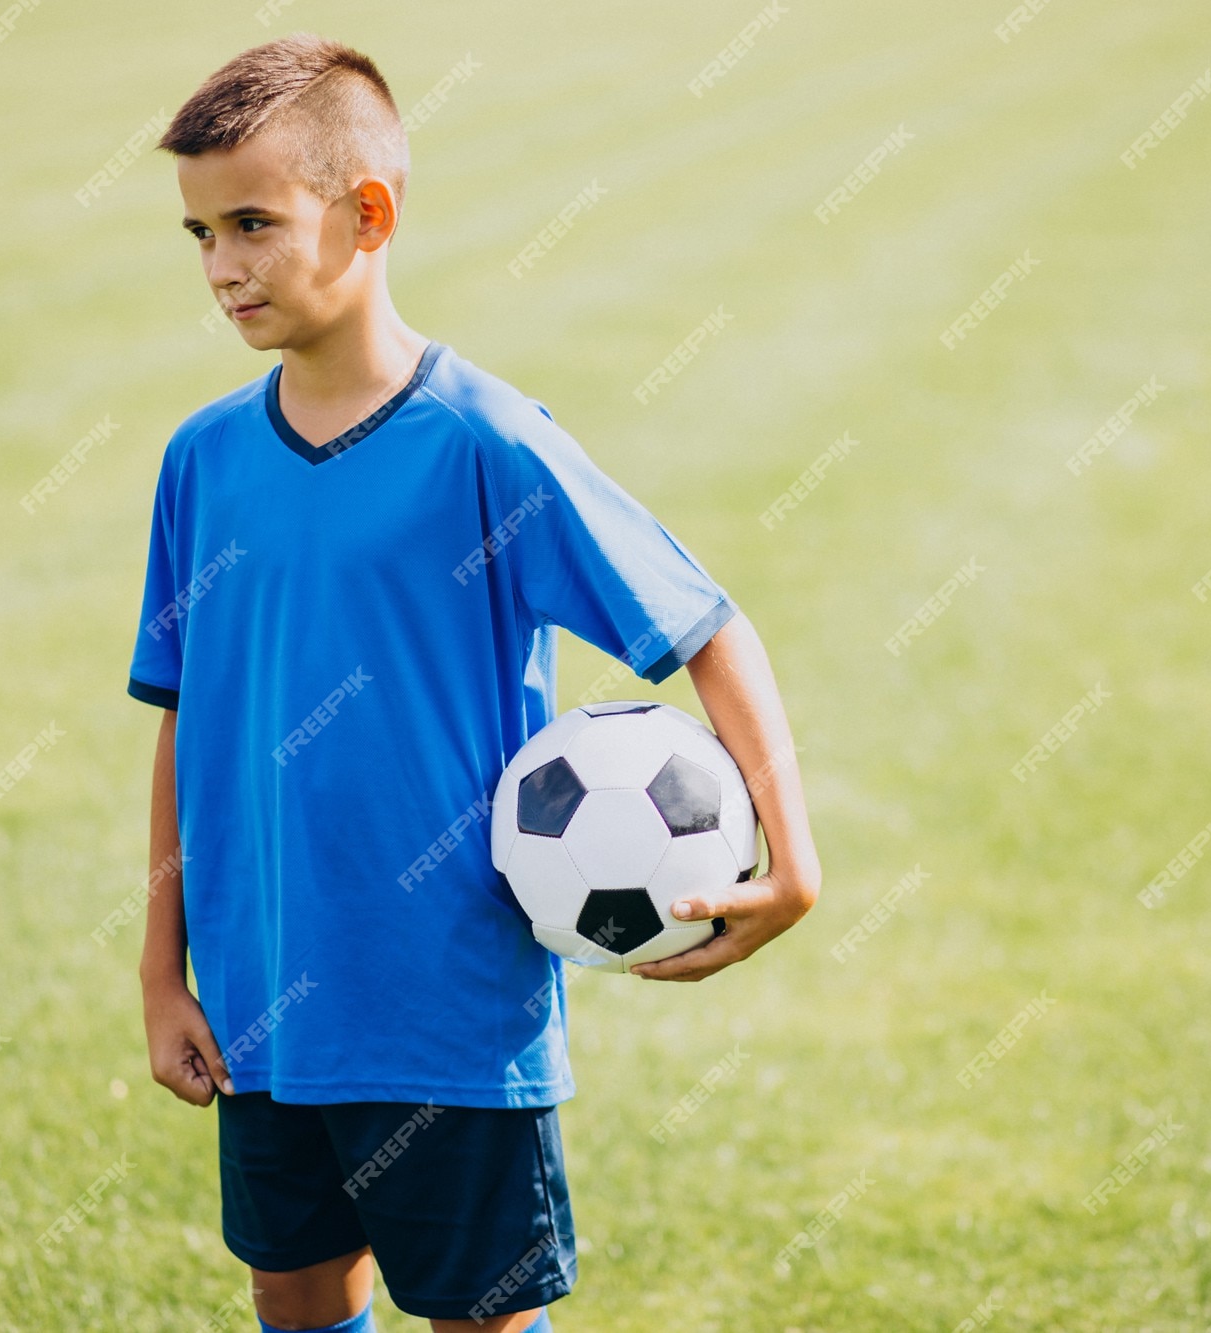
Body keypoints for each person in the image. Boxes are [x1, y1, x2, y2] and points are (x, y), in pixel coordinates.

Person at [128, 34, 822, 1333]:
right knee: (295, 1295)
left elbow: (711, 628)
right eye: (200, 234)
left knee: (478, 1316)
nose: (221, 266)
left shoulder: (488, 443)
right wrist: (163, 972)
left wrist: (794, 856)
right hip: (266, 1000)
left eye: (253, 225)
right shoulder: (203, 462)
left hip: (450, 1013)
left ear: (369, 213)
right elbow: (184, 721)